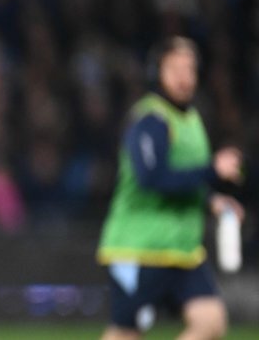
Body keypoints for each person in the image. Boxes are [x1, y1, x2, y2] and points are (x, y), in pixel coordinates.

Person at [97, 37, 245, 340]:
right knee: (126, 333)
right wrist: (212, 170)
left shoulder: (190, 119)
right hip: (139, 248)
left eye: (189, 69)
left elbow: (185, 179)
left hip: (182, 250)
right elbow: (152, 179)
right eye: (175, 69)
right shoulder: (151, 119)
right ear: (157, 73)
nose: (184, 77)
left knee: (211, 322)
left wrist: (212, 201)